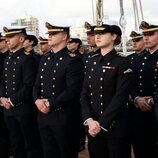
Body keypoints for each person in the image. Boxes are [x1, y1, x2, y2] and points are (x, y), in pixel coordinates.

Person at [81, 20, 133, 158]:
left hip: (115, 127)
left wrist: (101, 124)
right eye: (96, 33)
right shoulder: (92, 61)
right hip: (93, 126)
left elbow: (120, 97)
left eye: (102, 33)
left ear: (114, 36)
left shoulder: (122, 62)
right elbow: (85, 94)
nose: (97, 36)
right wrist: (89, 120)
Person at [33, 22, 84, 158]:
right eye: (49, 33)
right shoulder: (45, 59)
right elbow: (37, 84)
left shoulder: (73, 60)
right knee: (48, 153)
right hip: (43, 116)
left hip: (63, 117)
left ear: (64, 36)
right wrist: (37, 100)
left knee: (65, 153)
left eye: (53, 34)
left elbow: (73, 90)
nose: (49, 36)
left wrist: (50, 103)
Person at [0, 26, 42, 158]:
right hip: (8, 109)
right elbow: (3, 82)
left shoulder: (27, 59)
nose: (7, 40)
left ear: (21, 39)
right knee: (15, 144)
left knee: (30, 145)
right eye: (6, 37)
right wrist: (1, 97)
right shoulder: (8, 59)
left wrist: (11, 101)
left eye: (11, 37)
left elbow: (29, 86)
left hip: (23, 109)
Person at [131, 21, 158, 158]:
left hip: (155, 108)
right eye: (144, 35)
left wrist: (153, 100)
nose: (146, 38)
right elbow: (131, 83)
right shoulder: (139, 59)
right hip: (140, 111)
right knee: (142, 146)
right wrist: (137, 98)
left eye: (151, 34)